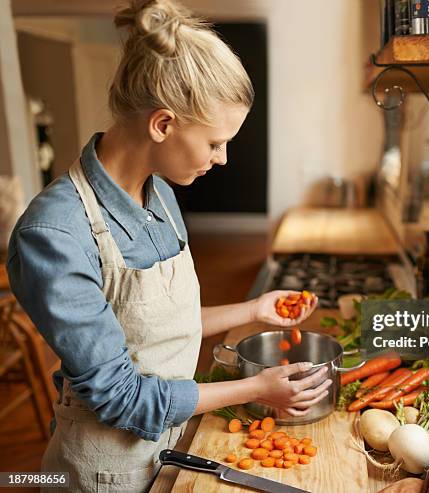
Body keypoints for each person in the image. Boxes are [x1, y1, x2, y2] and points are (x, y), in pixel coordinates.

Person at [6, 1, 331, 491]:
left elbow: (154, 330)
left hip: (172, 449)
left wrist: (253, 310)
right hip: (105, 472)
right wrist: (256, 389)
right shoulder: (54, 235)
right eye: (215, 143)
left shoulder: (161, 195)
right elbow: (120, 397)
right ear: (163, 124)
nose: (222, 160)